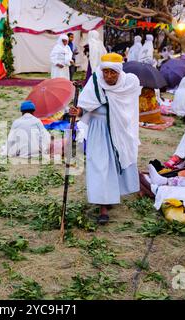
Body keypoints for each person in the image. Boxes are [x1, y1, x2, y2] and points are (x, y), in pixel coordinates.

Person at [69, 53, 141, 224]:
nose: (108, 76)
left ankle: (110, 196)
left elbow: (128, 109)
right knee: (99, 166)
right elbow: (85, 106)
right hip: (98, 130)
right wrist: (78, 111)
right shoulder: (95, 82)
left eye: (113, 72)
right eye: (105, 72)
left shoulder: (128, 84)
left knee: (115, 164)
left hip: (119, 131)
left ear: (119, 71)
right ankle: (102, 207)